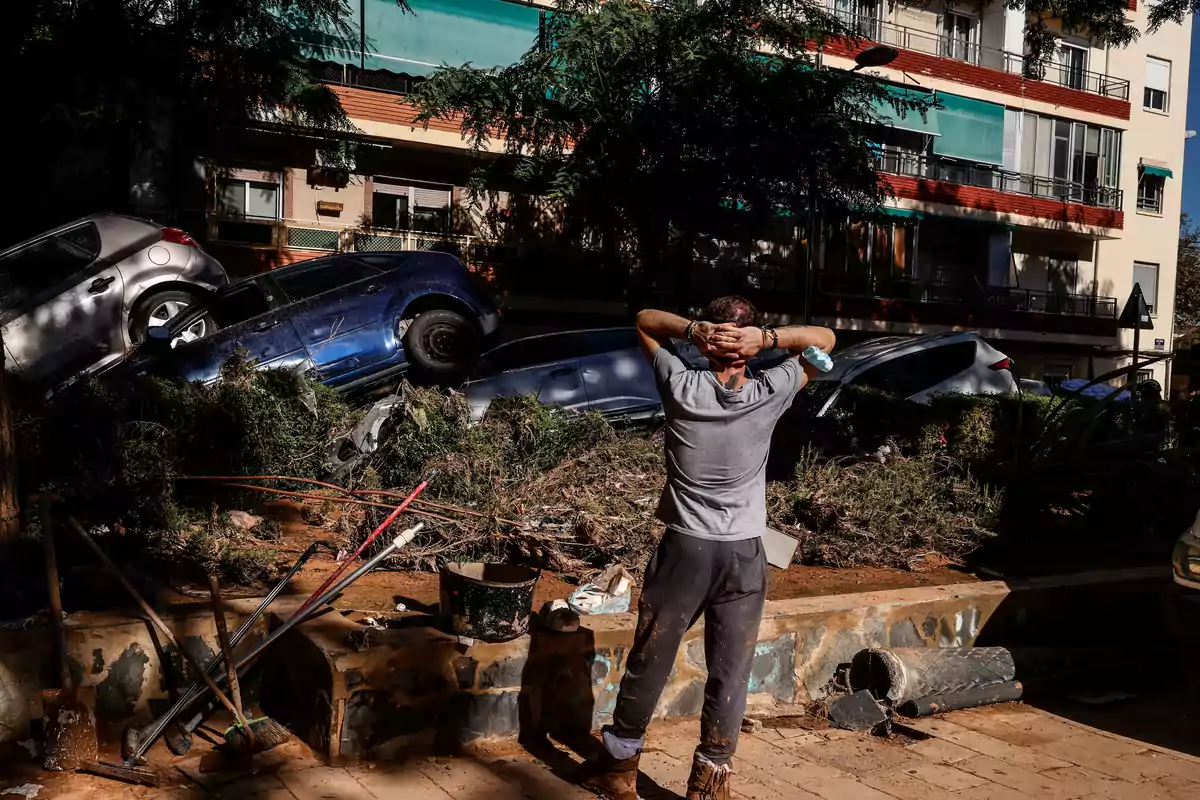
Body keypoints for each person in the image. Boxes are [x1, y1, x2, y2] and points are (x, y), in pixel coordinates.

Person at [577, 296, 836, 800]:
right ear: (748, 346)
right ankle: (709, 784)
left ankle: (617, 769)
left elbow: (645, 321)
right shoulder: (772, 388)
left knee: (650, 660)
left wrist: (693, 328)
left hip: (685, 552)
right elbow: (825, 340)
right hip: (744, 556)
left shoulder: (681, 384)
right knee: (731, 670)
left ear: (710, 342)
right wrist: (770, 339)